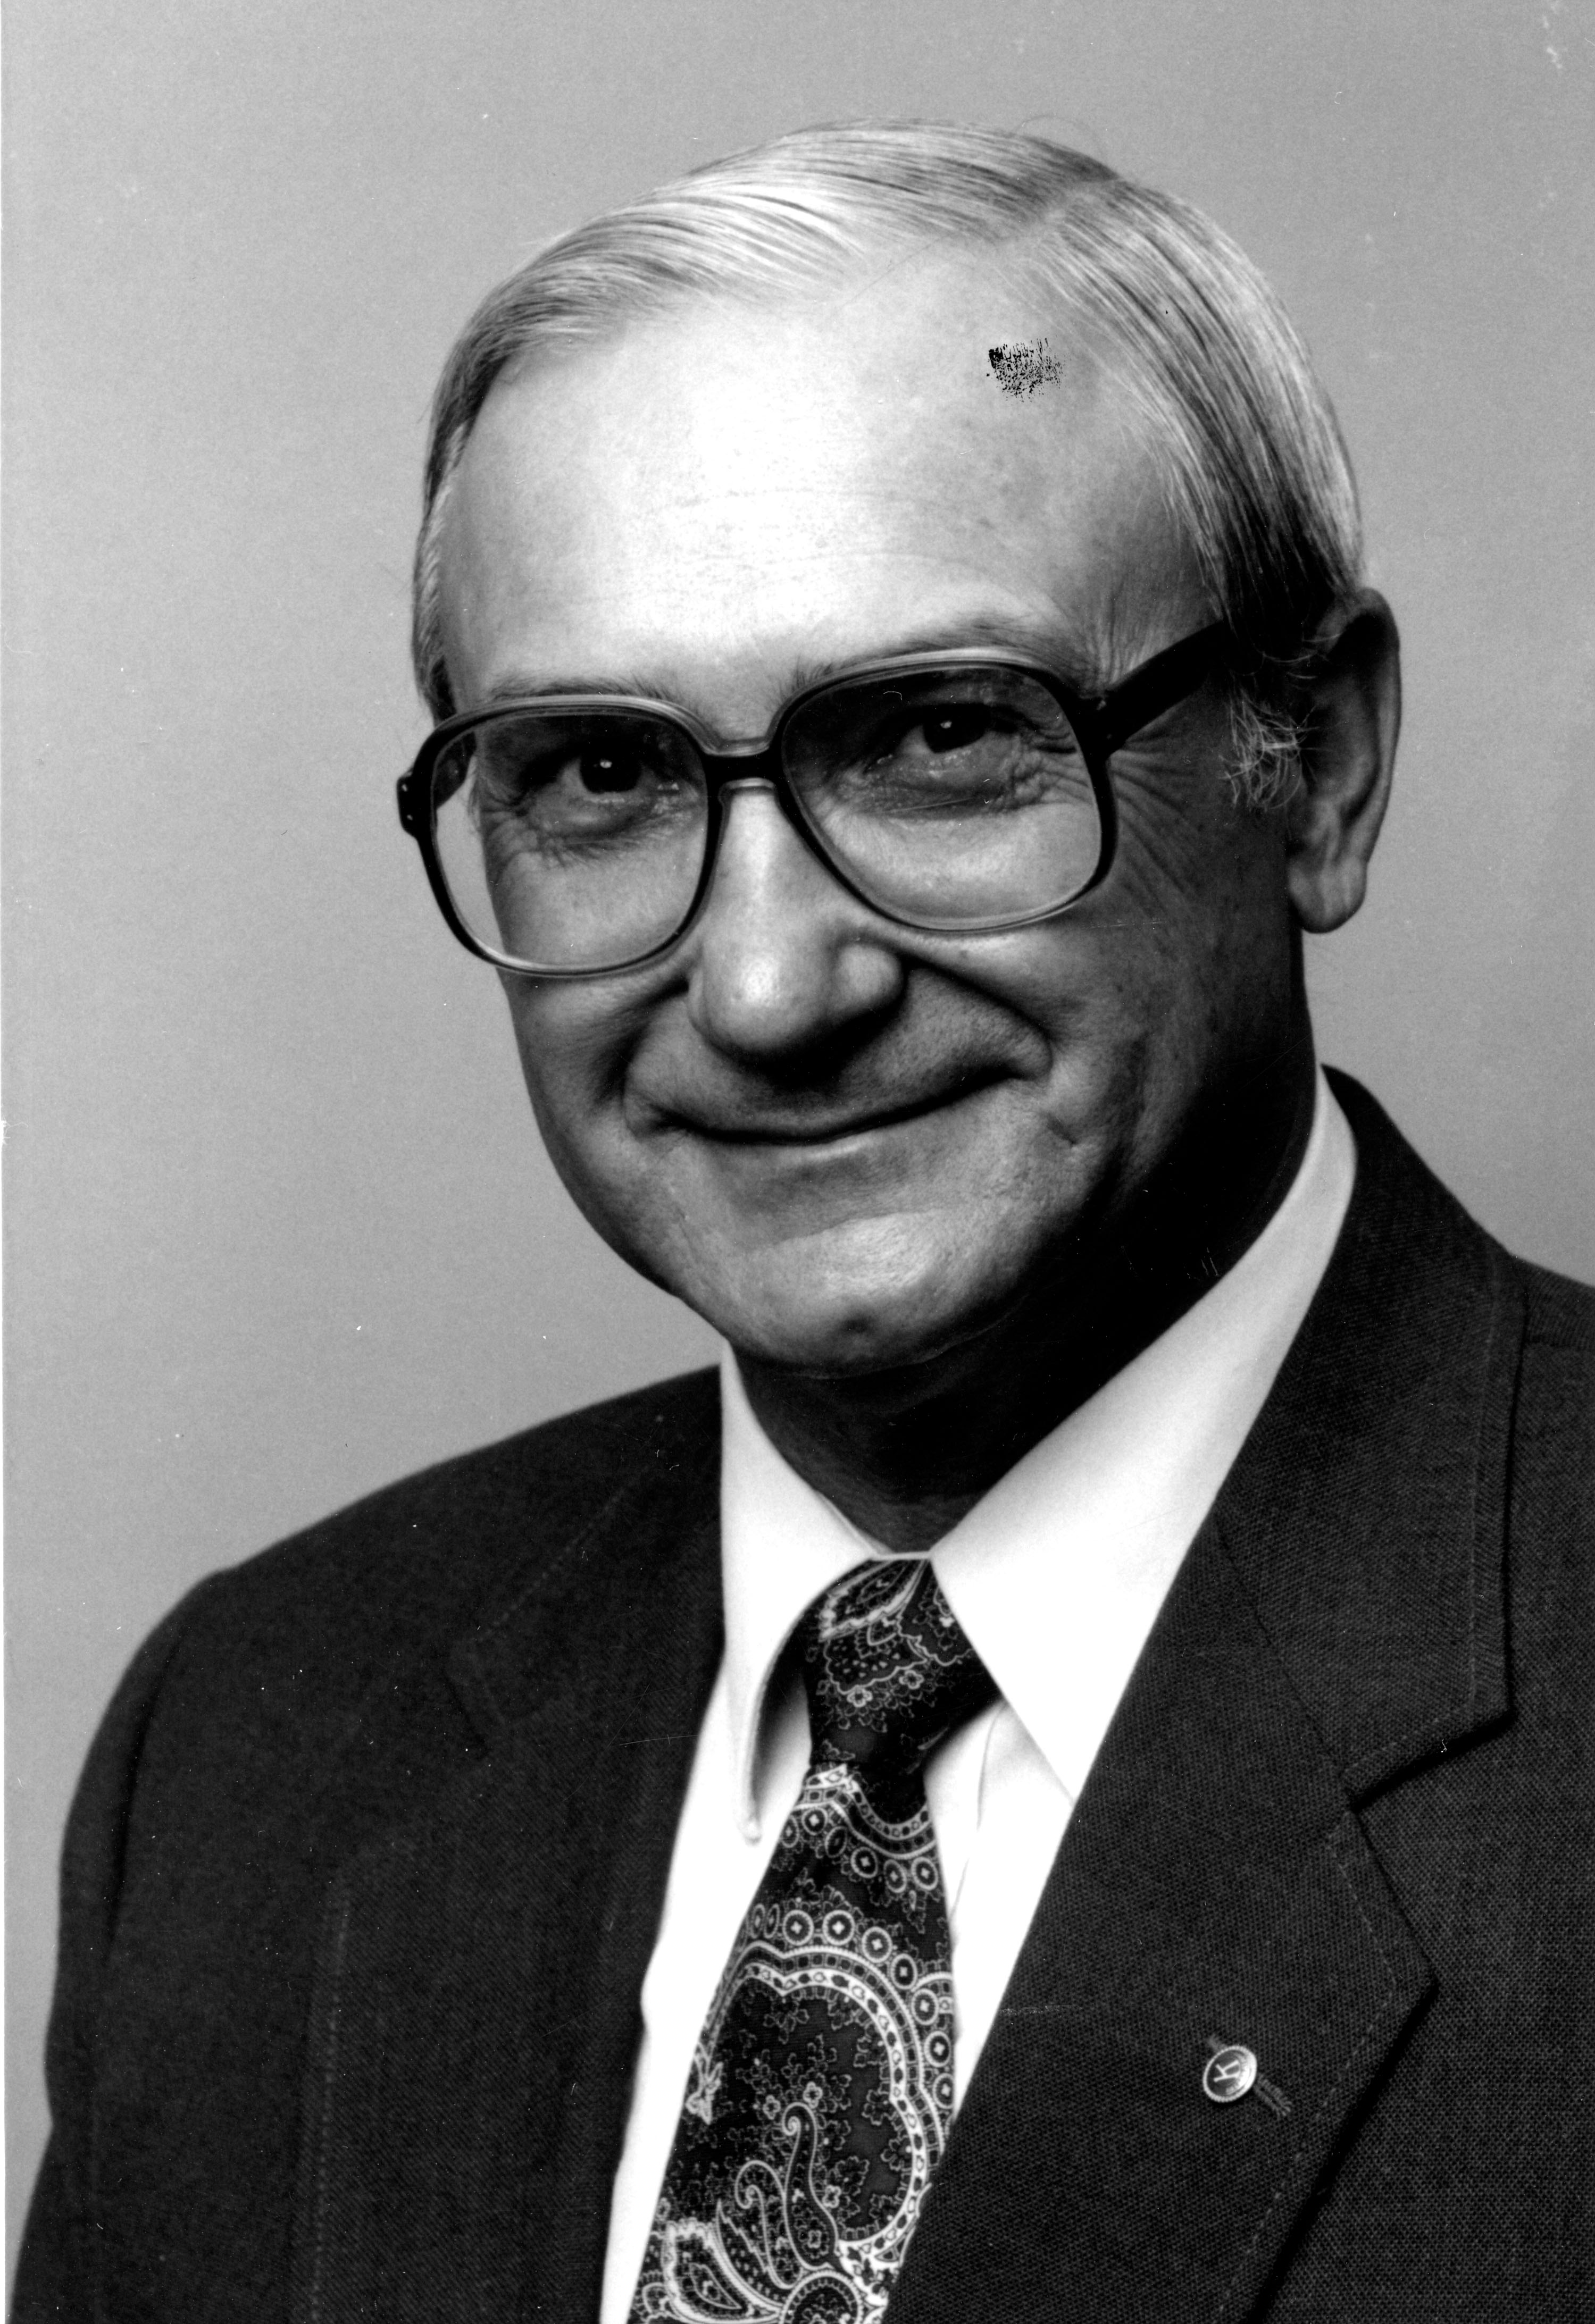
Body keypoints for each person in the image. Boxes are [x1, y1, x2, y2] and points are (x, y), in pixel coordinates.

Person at [15, 123, 1592, 2324]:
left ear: (1314, 766)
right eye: (600, 774)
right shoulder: (260, 1738)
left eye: (942, 734)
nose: (765, 987)